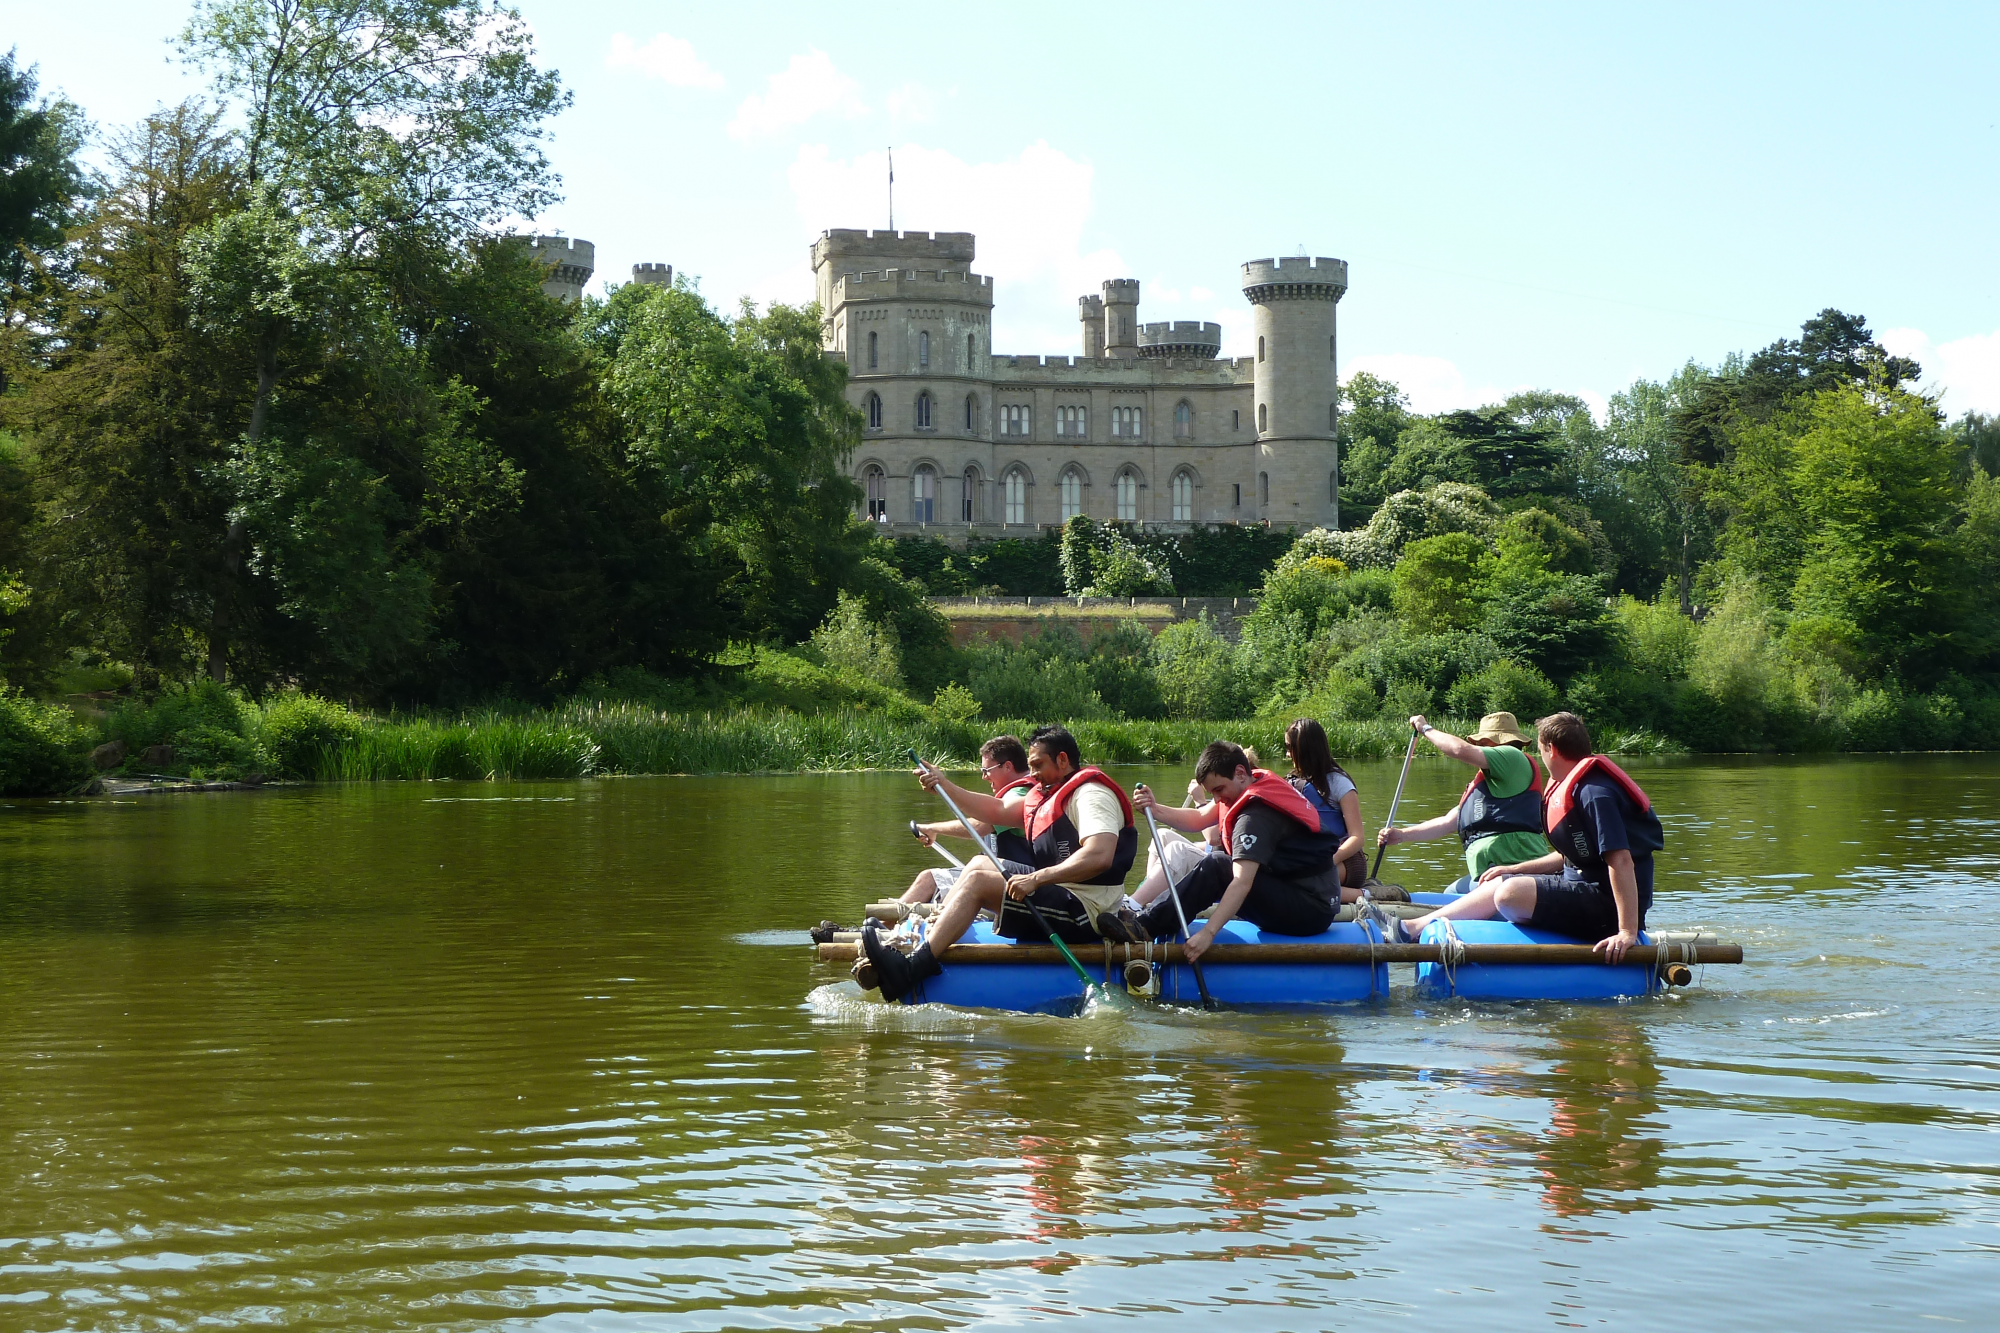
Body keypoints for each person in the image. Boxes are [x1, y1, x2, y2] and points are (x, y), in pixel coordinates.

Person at [860, 725, 1139, 1002]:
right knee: (980, 864)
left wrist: (1037, 879)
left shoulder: (1091, 795)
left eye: (1038, 765)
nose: (1033, 775)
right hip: (1065, 891)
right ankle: (932, 935)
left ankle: (912, 969)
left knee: (978, 882)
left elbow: (1099, 856)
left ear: (1063, 760)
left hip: (1087, 910)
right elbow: (994, 811)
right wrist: (944, 784)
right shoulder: (1049, 795)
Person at [1391, 712, 1664, 961]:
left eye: (1541, 748)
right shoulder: (1574, 786)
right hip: (1583, 890)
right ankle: (1412, 927)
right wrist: (1513, 869)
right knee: (1503, 880)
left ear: (1551, 749)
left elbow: (1621, 861)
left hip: (1606, 906)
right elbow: (1567, 856)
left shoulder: (1595, 792)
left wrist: (1627, 931)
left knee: (1509, 893)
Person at [1127, 740, 1343, 959]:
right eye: (1213, 793)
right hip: (1298, 892)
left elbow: (1242, 881)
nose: (1218, 799)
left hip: (1311, 911)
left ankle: (1144, 928)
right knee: (1219, 861)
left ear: (1240, 772)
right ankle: (1150, 918)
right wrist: (1155, 809)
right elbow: (1199, 818)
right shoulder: (1249, 782)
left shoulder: (1255, 816)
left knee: (1218, 866)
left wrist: (1208, 933)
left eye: (1219, 790)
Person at [1374, 711, 1552, 885]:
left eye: (1482, 742)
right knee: (1452, 892)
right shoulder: (1492, 782)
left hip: (1517, 868)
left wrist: (1425, 728)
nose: (1479, 746)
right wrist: (1402, 835)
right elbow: (1448, 822)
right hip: (1488, 873)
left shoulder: (1511, 757)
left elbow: (1460, 750)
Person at [901, 735, 1034, 903]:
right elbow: (979, 820)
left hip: (1022, 880)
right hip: (1000, 872)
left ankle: (939, 918)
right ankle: (880, 928)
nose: (984, 777)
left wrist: (934, 827)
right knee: (928, 878)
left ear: (1007, 766)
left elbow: (979, 826)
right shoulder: (1013, 792)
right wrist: (943, 791)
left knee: (972, 865)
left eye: (987, 770)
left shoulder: (1021, 793)